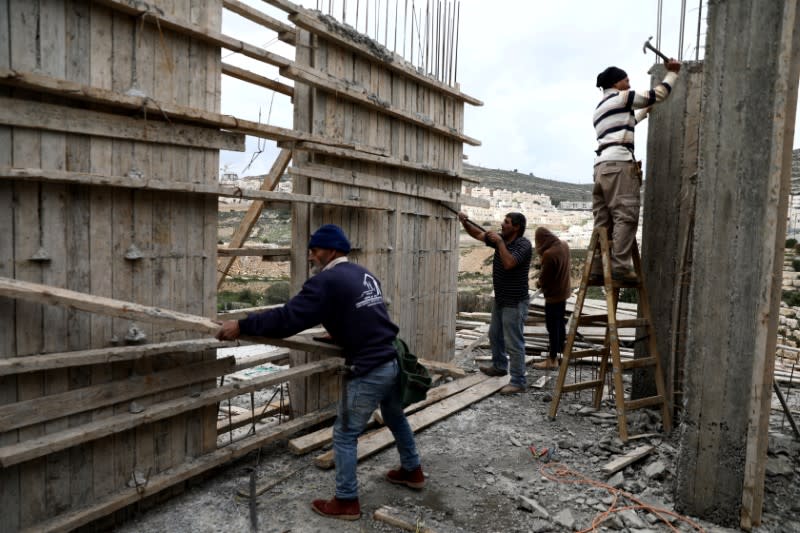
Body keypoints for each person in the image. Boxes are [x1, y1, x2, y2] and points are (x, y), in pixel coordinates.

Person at [216, 224, 424, 521]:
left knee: (344, 433)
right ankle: (412, 471)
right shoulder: (363, 274)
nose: (311, 256)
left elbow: (288, 318)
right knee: (394, 415)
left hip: (371, 367)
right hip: (392, 360)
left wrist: (242, 325)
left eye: (315, 250)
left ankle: (346, 501)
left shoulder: (327, 281)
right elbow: (366, 315)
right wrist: (342, 333)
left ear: (332, 251)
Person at [591, 59, 681, 284]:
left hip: (601, 167)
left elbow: (623, 125)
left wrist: (643, 113)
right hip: (619, 165)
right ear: (616, 83)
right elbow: (657, 94)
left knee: (603, 221)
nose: (629, 84)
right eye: (626, 80)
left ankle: (597, 268)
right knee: (626, 214)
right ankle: (620, 266)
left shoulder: (601, 108)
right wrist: (672, 73)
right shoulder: (623, 98)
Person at [457, 211, 532, 394]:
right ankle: (499, 366)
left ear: (516, 227)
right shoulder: (501, 239)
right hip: (501, 299)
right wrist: (465, 222)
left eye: (506, 222)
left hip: (514, 302)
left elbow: (509, 263)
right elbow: (477, 233)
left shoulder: (523, 245)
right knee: (495, 335)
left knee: (514, 343)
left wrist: (499, 243)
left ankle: (518, 381)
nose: (502, 224)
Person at [532, 227, 571, 371]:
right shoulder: (564, 245)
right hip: (564, 292)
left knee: (552, 327)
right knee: (559, 324)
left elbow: (544, 280)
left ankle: (552, 359)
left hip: (553, 296)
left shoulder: (549, 254)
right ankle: (562, 351)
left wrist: (538, 282)